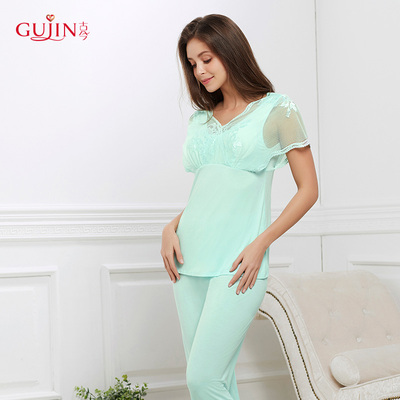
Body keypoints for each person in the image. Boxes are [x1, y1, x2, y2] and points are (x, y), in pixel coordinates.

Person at [160, 14, 319, 400]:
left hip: (238, 263)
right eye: (192, 64)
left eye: (207, 59)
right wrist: (170, 228)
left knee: (203, 379)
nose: (199, 71)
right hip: (187, 260)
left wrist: (260, 243)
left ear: (230, 51)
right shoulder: (201, 120)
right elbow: (210, 191)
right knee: (214, 379)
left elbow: (309, 190)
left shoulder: (277, 110)